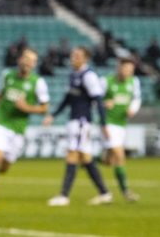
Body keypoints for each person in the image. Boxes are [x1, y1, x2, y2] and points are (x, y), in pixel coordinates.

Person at [0, 48, 49, 214]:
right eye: (25, 58)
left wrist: (27, 108)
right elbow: (1, 94)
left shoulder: (38, 82)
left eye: (31, 60)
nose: (27, 62)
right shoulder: (7, 75)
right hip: (1, 123)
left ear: (34, 64)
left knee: (4, 166)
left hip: (18, 129)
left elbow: (44, 108)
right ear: (20, 60)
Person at [44, 46, 112, 207]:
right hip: (75, 120)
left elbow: (99, 101)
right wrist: (53, 115)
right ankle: (104, 193)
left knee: (72, 154)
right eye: (73, 55)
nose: (73, 58)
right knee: (85, 157)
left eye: (77, 55)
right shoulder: (73, 75)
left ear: (85, 58)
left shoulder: (89, 76)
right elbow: (67, 99)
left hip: (82, 121)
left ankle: (64, 196)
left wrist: (103, 124)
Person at [101, 57, 141, 202]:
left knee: (109, 161)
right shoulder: (106, 81)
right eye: (125, 69)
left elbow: (137, 99)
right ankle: (126, 192)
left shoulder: (134, 82)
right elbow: (95, 100)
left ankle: (92, 161)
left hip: (122, 124)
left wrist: (132, 109)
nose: (128, 72)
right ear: (119, 68)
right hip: (108, 123)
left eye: (131, 70)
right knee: (120, 155)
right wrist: (105, 103)